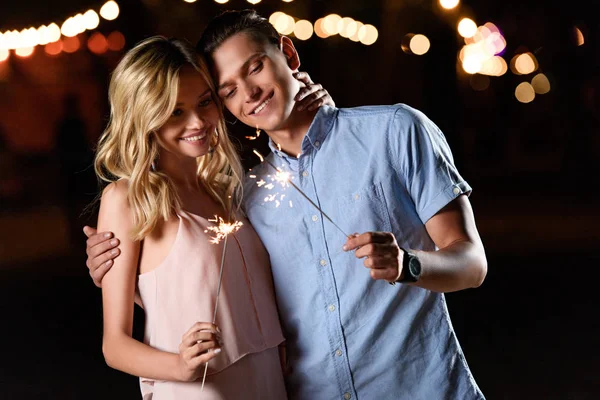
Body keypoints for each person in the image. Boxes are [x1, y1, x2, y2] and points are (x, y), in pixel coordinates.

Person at [86, 9, 488, 399]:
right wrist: (123, 269)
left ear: (289, 55)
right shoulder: (245, 190)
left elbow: (472, 264)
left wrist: (408, 264)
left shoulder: (394, 131)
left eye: (256, 67)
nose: (250, 93)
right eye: (227, 91)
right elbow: (202, 280)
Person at [90, 35, 334, 399]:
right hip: (202, 389)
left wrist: (321, 110)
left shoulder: (230, 193)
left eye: (205, 102)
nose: (198, 121)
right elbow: (115, 345)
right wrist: (181, 366)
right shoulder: (126, 198)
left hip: (271, 382)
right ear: (144, 116)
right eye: (175, 111)